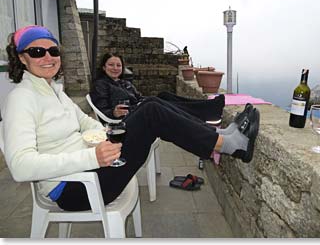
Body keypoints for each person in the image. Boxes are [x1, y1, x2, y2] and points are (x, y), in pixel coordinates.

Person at [1, 25, 260, 212]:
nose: (48, 57)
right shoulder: (21, 99)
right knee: (151, 111)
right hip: (77, 189)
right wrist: (91, 156)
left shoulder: (54, 92)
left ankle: (221, 137)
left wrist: (105, 136)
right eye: (36, 52)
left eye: (53, 51)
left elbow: (85, 122)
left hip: (93, 166)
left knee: (152, 106)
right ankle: (230, 144)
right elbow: (21, 167)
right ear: (22, 58)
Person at [90, 52, 225, 123]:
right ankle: (208, 110)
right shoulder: (101, 84)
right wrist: (113, 113)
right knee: (155, 103)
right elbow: (102, 112)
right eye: (111, 65)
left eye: (118, 65)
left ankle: (207, 107)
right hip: (128, 119)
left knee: (164, 96)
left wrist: (150, 99)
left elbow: (139, 97)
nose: (115, 68)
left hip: (138, 108)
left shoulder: (124, 82)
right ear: (103, 67)